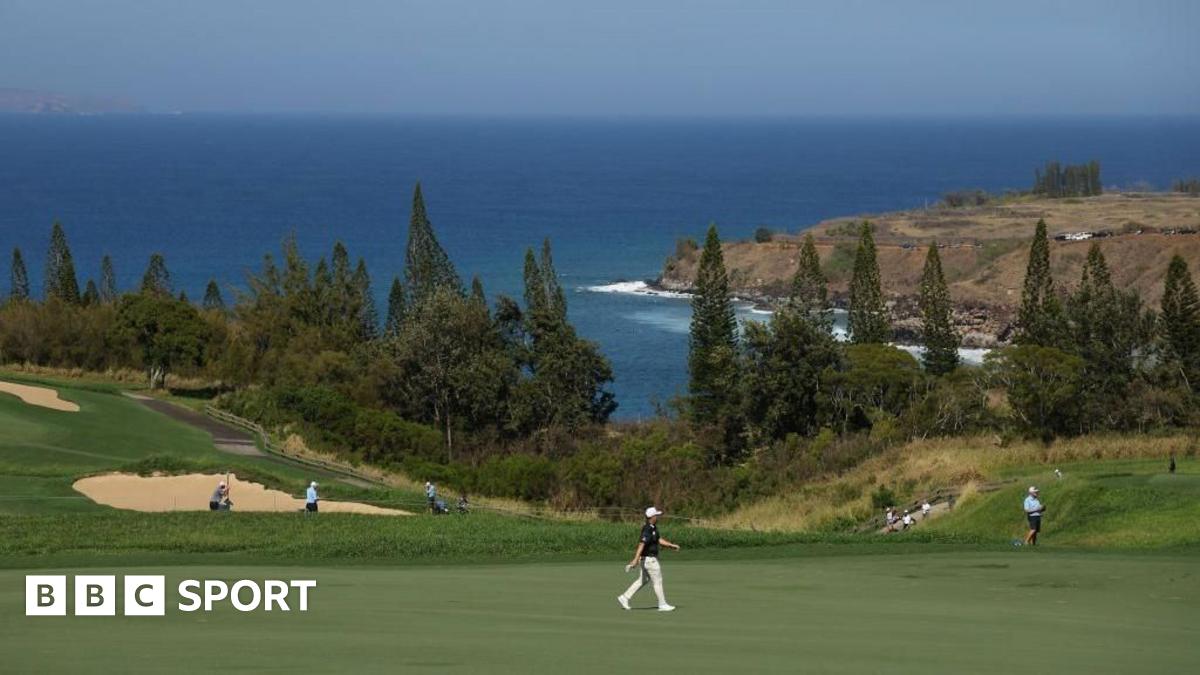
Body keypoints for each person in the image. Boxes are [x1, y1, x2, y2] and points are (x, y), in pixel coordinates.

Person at [617, 507, 680, 612]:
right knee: (658, 581)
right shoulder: (647, 529)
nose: (657, 516)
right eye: (656, 515)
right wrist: (635, 559)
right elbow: (641, 544)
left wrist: (671, 545)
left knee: (643, 580)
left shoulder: (653, 527)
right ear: (651, 517)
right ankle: (662, 604)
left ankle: (624, 597)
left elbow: (659, 539)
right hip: (649, 560)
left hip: (648, 560)